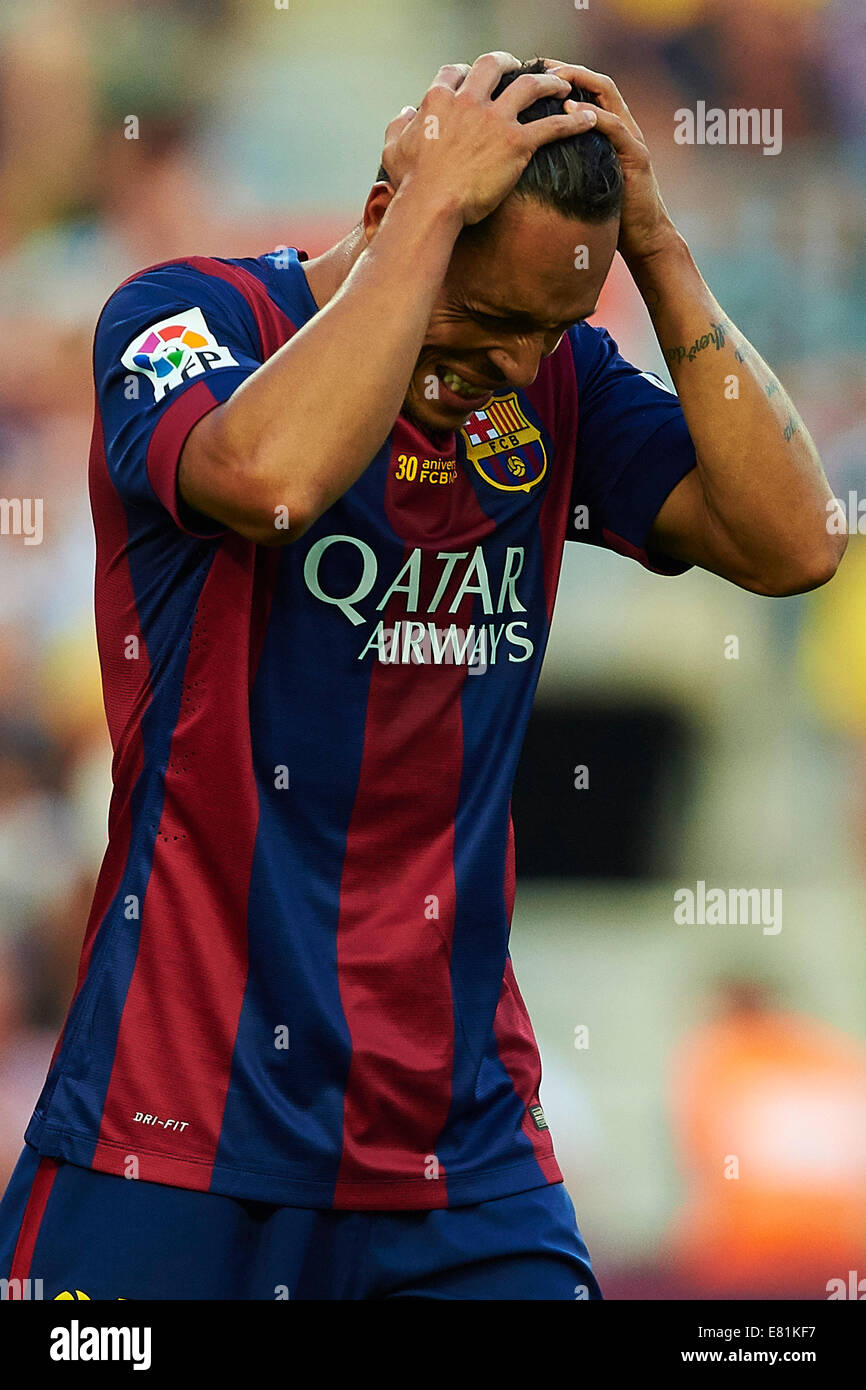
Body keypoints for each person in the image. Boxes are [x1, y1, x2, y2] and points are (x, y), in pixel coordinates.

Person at [0, 53, 843, 1301]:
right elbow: (271, 479)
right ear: (399, 216)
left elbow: (795, 542)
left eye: (545, 329)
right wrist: (430, 218)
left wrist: (655, 251)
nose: (509, 366)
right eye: (487, 319)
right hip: (167, 1134)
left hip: (458, 1155)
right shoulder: (188, 319)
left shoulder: (550, 388)